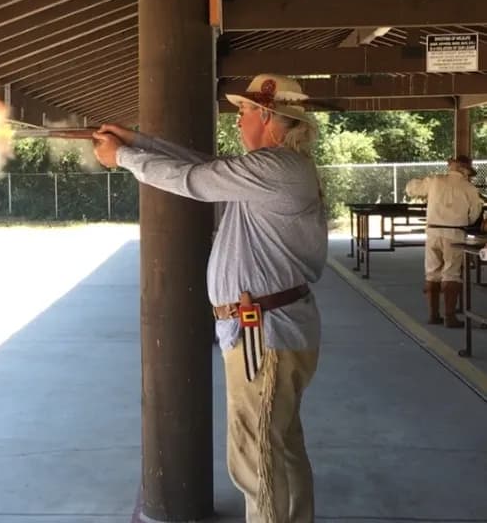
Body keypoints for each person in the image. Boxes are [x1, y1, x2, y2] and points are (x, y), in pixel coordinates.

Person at [93, 74, 326, 523]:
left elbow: (195, 179)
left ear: (268, 117)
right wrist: (138, 141)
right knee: (278, 449)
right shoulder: (277, 167)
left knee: (256, 460)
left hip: (265, 333)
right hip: (269, 327)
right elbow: (206, 166)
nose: (239, 120)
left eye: (245, 112)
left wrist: (124, 155)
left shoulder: (275, 169)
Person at [405, 157, 482, 328]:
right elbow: (475, 214)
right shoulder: (469, 188)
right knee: (451, 273)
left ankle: (433, 315)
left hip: (433, 231)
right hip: (455, 233)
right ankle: (450, 317)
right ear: (466, 171)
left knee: (432, 273)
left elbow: (411, 188)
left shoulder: (434, 181)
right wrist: (465, 221)